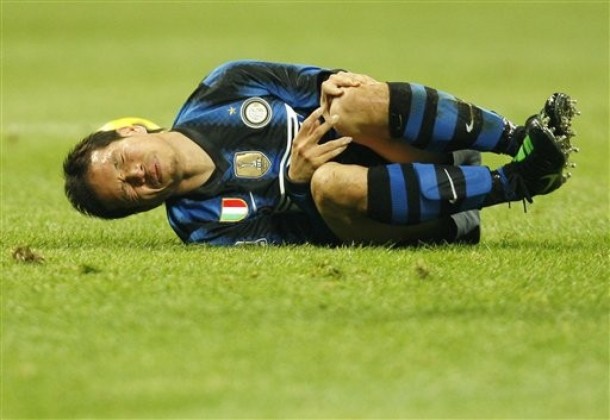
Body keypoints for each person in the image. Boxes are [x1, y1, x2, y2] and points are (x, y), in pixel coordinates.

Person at [63, 60, 579, 246]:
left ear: (130, 129)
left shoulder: (226, 86)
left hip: (418, 149)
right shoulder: (200, 226)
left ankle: (520, 140)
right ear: (144, 208)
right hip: (404, 216)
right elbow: (289, 238)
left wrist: (344, 85)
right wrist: (294, 181)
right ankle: (519, 183)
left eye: (122, 160)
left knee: (347, 100)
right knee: (329, 185)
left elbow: (329, 83)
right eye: (129, 193)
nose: (137, 175)